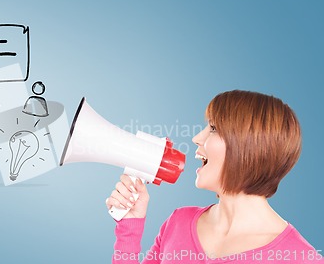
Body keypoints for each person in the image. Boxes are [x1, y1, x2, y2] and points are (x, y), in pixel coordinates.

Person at [106, 90, 323, 263]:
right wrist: (130, 227)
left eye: (213, 128)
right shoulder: (178, 222)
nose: (196, 138)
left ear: (250, 147)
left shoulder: (300, 258)